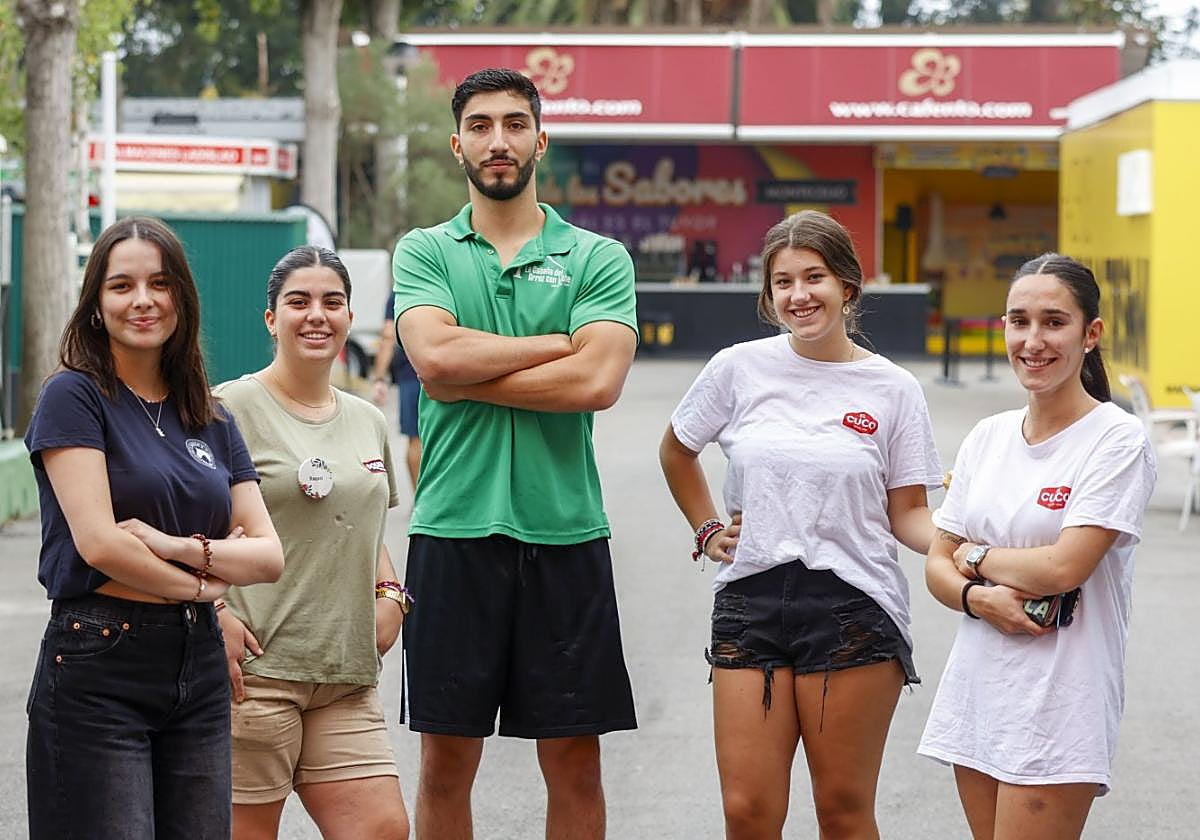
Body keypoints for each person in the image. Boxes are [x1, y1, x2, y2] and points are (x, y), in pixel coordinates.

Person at [392, 67, 638, 840]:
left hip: (565, 533)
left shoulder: (598, 257)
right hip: (453, 531)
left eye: (513, 124)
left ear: (541, 138)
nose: (497, 140)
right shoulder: (425, 250)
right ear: (457, 142)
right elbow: (433, 362)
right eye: (480, 125)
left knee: (574, 765)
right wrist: (552, 345)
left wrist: (472, 371)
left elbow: (597, 381)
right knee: (445, 764)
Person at [659, 210, 943, 839]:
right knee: (747, 811)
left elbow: (909, 513)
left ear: (847, 284)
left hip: (854, 606)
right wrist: (707, 528)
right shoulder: (737, 368)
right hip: (749, 598)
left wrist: (968, 550)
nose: (799, 295)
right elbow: (676, 449)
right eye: (783, 282)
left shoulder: (893, 389)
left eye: (813, 277)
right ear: (769, 296)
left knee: (842, 810)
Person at [23, 216, 284, 838]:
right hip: (98, 660)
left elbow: (269, 555)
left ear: (182, 299)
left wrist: (175, 550)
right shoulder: (74, 397)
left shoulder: (210, 416)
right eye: (121, 286)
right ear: (95, 304)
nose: (142, 300)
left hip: (196, 666)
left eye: (159, 283)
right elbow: (101, 542)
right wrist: (205, 586)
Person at [918, 254, 1156, 840]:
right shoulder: (988, 437)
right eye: (1018, 321)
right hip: (978, 692)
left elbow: (1063, 566)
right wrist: (979, 599)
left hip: (1059, 702)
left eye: (1054, 322)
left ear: (1090, 334)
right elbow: (933, 565)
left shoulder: (1116, 440)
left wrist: (973, 558)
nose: (1033, 340)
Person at [211, 246, 410, 839]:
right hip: (255, 676)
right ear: (271, 318)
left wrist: (392, 593)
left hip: (345, 676)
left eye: (333, 302)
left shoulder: (365, 419)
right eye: (298, 302)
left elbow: (364, 525)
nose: (316, 315)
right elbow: (187, 529)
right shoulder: (227, 409)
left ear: (351, 317)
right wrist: (211, 609)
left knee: (383, 830)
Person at [371, 294, 421, 490]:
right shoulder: (447, 282)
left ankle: (421, 502)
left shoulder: (400, 292)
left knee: (415, 439)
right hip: (445, 374)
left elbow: (388, 335)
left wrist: (379, 378)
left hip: (411, 375)